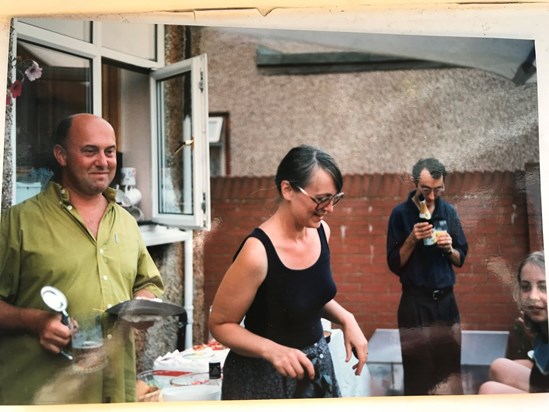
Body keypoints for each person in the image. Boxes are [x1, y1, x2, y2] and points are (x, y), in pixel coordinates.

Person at [0, 113, 164, 404]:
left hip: (114, 391)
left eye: (109, 151)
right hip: (42, 395)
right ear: (61, 155)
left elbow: (147, 282)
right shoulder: (18, 222)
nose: (103, 161)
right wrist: (34, 321)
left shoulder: (126, 222)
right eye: (90, 151)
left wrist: (146, 302)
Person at [209, 144, 368, 400]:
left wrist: (347, 318)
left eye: (334, 198)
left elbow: (305, 295)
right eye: (321, 199)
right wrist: (272, 350)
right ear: (287, 189)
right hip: (262, 379)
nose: (330, 208)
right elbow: (220, 324)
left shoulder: (321, 232)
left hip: (315, 369)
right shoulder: (257, 253)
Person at [386, 157, 468, 395]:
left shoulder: (449, 211)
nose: (432, 196)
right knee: (418, 375)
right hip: (415, 304)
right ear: (415, 184)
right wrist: (412, 239)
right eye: (426, 190)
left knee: (450, 373)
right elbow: (394, 264)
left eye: (437, 189)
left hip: (446, 303)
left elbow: (460, 258)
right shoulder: (400, 214)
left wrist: (449, 248)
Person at [479, 251, 548, 394]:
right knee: (499, 365)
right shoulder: (542, 326)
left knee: (488, 390)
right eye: (526, 287)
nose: (533, 297)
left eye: (543, 287)